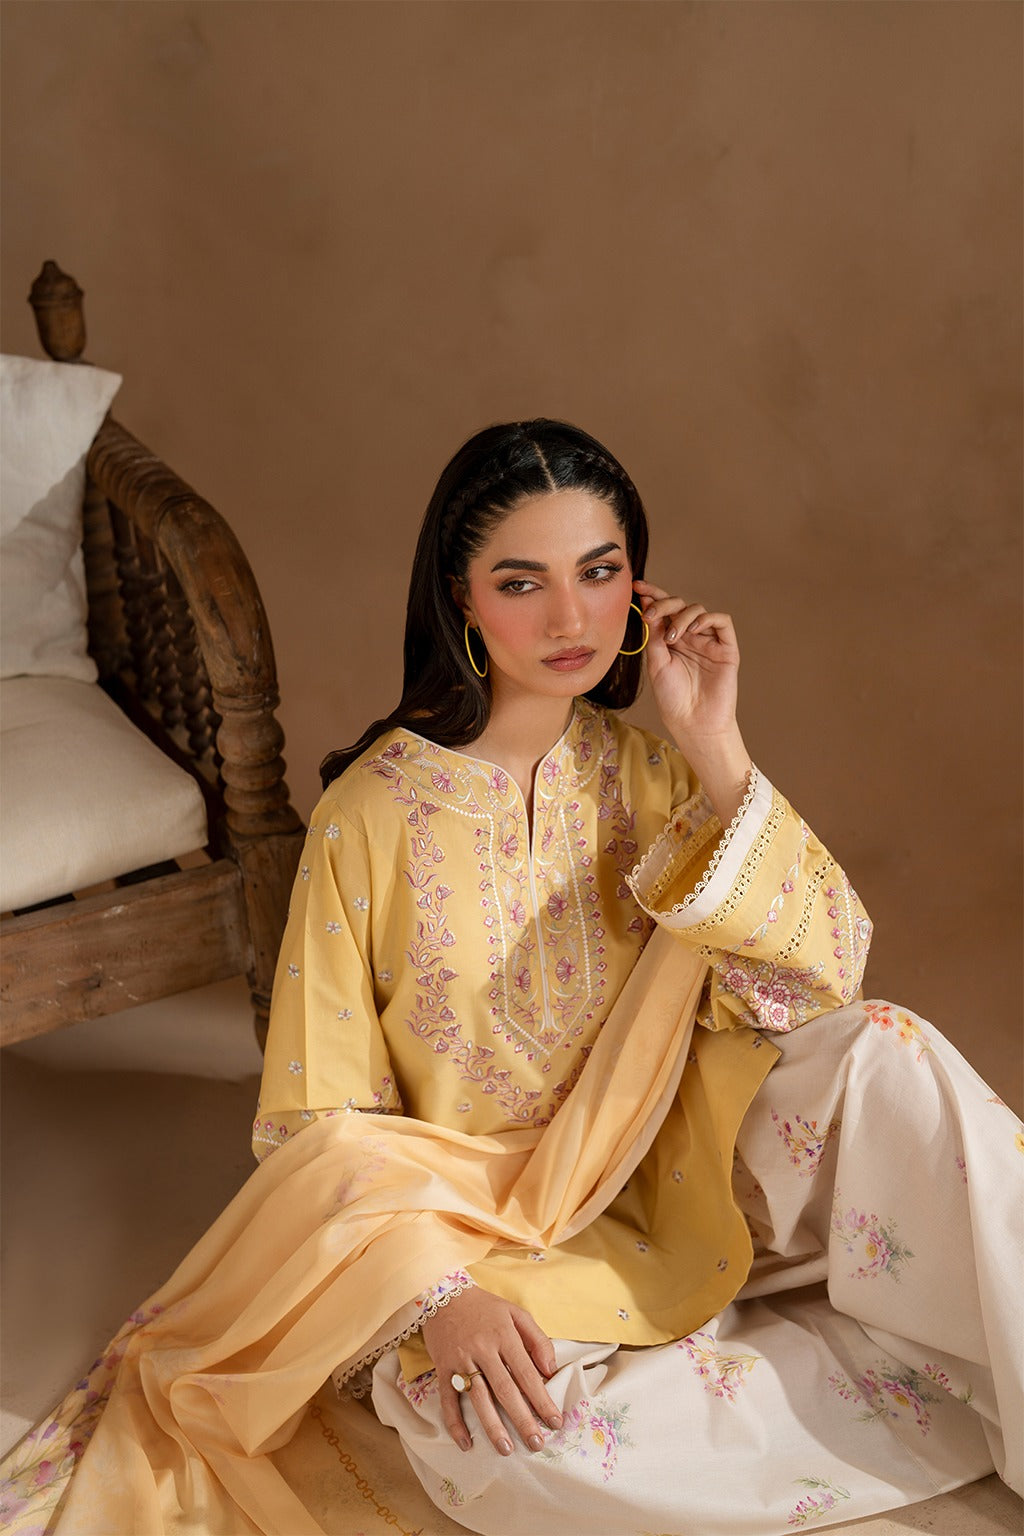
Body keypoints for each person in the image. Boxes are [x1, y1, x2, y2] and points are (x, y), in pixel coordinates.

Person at [3, 420, 1021, 1535]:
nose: (570, 617)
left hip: (687, 1167)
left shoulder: (649, 770)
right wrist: (444, 1298)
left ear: (639, 586)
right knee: (496, 1441)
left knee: (888, 1044)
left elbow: (812, 982)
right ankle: (849, 1379)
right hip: (489, 1235)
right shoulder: (368, 819)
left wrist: (717, 746)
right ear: (460, 599)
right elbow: (319, 1125)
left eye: (599, 573)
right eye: (521, 582)